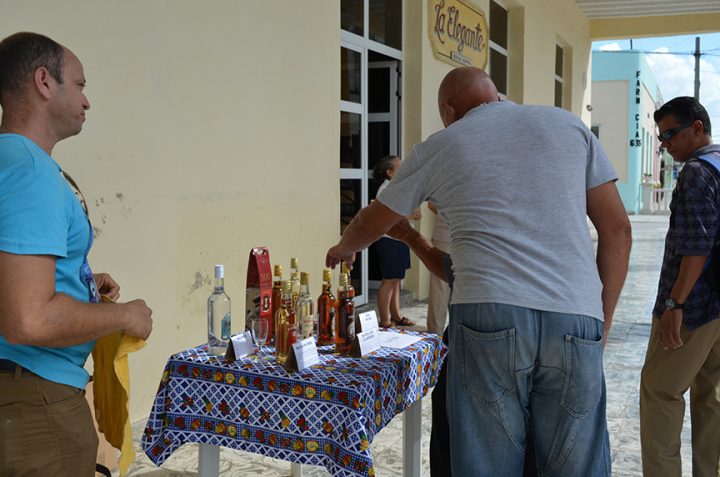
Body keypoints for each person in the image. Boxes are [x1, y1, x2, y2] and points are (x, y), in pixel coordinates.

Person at [326, 66, 631, 475]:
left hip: (490, 316)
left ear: (449, 110)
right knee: (576, 464)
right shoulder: (570, 127)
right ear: (497, 95)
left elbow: (372, 221)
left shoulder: (443, 144)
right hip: (574, 315)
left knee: (487, 462)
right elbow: (617, 230)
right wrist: (602, 322)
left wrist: (343, 249)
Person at [0, 32, 153, 476]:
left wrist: (78, 280)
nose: (87, 102)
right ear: (44, 82)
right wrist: (124, 315)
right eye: (80, 86)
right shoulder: (31, 174)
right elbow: (29, 319)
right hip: (34, 401)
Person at [640, 96, 720, 477]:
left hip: (694, 307)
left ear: (698, 128)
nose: (665, 144)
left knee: (660, 395)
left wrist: (675, 304)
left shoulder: (696, 172)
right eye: (661, 137)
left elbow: (697, 247)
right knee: (712, 399)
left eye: (670, 134)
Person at [372, 155, 417, 328]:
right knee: (389, 280)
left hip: (400, 238)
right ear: (390, 173)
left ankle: (396, 316)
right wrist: (410, 215)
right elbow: (387, 214)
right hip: (389, 240)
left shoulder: (397, 187)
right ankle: (384, 320)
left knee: (396, 279)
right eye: (400, 167)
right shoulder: (386, 190)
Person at [426, 202, 451, 335]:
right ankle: (435, 334)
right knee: (441, 288)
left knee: (444, 288)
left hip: (452, 236)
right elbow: (431, 204)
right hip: (447, 237)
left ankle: (437, 334)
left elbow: (431, 204)